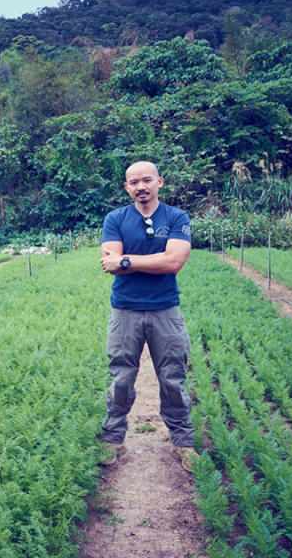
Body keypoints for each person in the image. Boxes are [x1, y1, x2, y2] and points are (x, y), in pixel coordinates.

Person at [98, 160, 198, 472]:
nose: (141, 186)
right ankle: (112, 438)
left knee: (172, 376)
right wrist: (152, 258)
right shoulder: (115, 219)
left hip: (165, 309)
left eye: (147, 180)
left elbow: (174, 263)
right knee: (121, 377)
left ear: (159, 182)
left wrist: (126, 260)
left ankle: (183, 441)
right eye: (133, 182)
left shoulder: (176, 217)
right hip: (125, 309)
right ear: (126, 187)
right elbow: (109, 262)